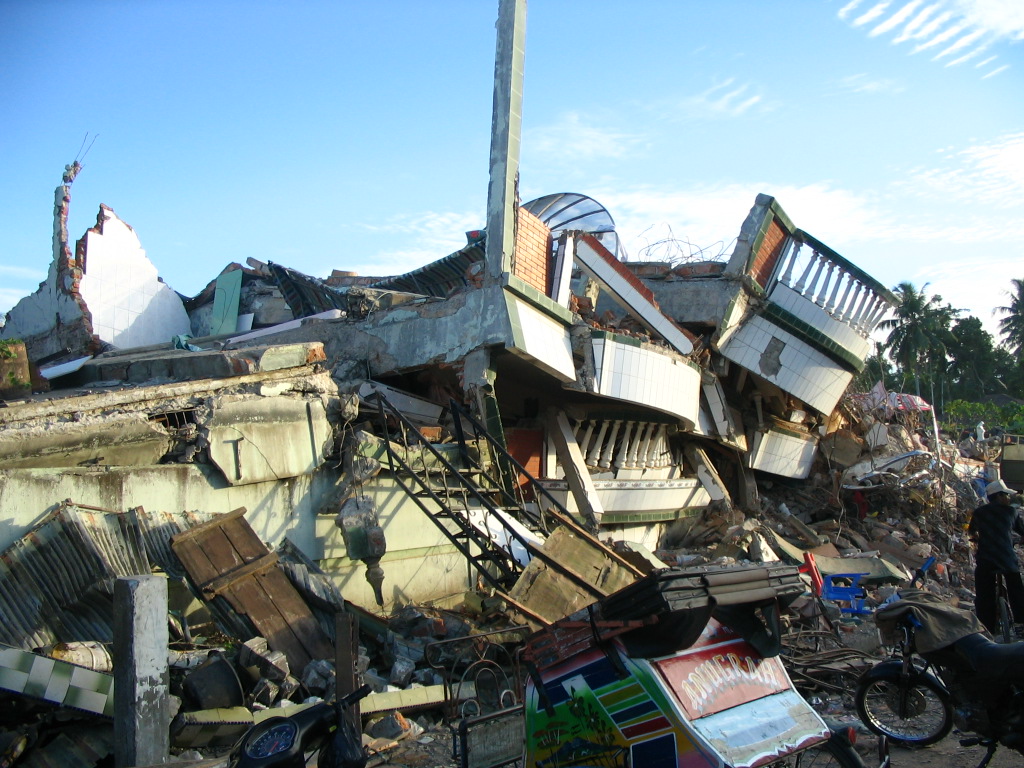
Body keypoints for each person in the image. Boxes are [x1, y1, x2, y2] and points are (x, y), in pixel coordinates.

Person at [968, 479, 1024, 634]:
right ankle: (1020, 622)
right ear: (999, 496)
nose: (1008, 498)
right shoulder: (1011, 511)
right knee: (1016, 589)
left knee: (984, 594)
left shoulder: (979, 512)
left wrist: (977, 538)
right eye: (1006, 495)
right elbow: (1022, 530)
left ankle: (986, 626)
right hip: (1006, 558)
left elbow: (972, 531)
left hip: (986, 558)